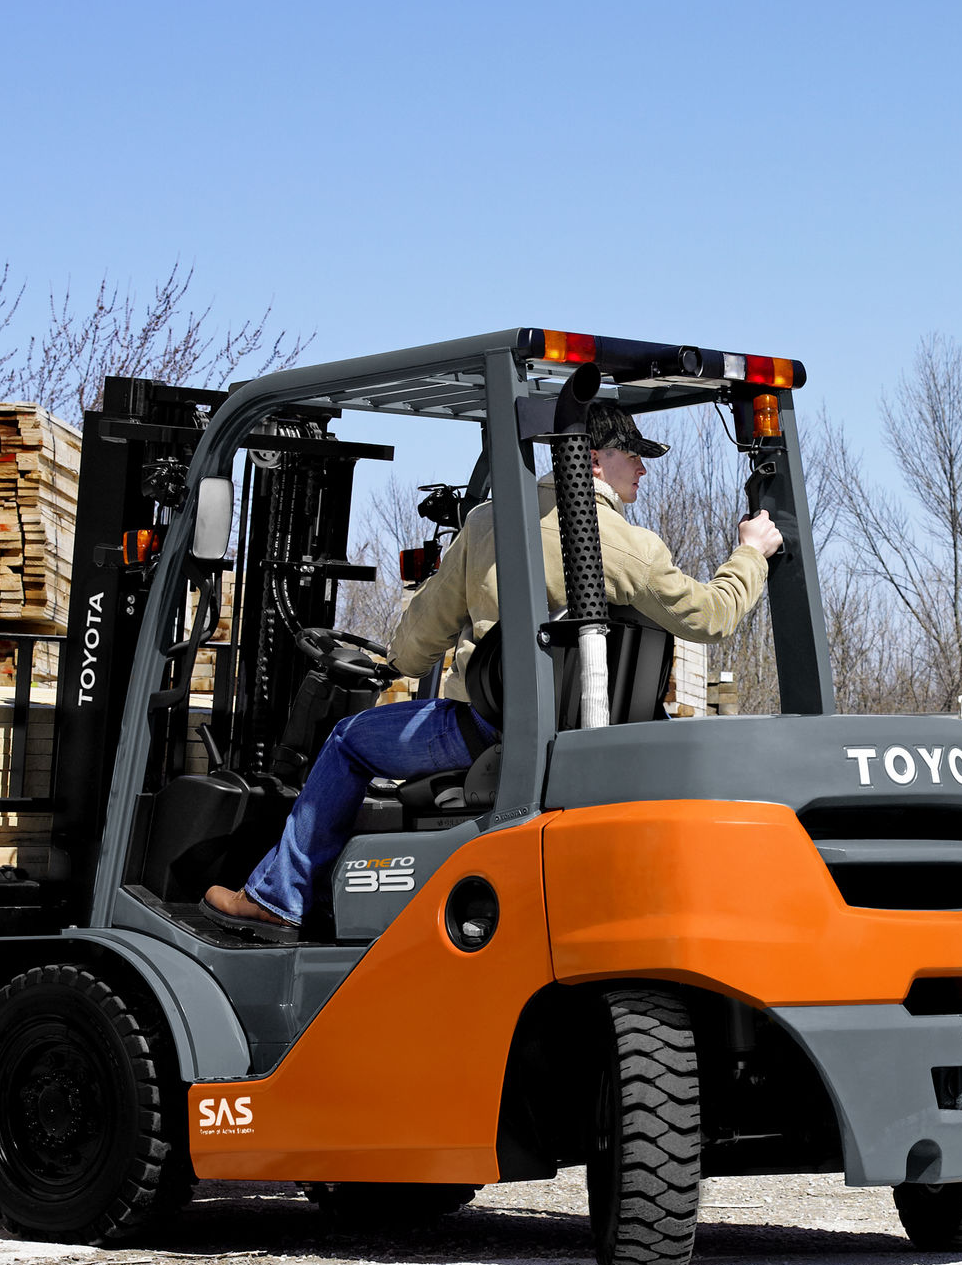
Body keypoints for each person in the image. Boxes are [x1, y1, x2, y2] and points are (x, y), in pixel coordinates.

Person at [203, 402, 785, 938]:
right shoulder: (635, 548)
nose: (643, 468)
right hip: (590, 736)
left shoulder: (490, 523)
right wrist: (753, 551)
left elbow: (421, 635)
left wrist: (397, 664)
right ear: (590, 459)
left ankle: (280, 898)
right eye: (631, 454)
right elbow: (714, 614)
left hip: (485, 730)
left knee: (351, 739)